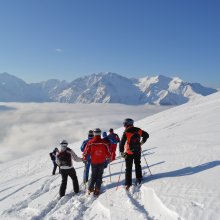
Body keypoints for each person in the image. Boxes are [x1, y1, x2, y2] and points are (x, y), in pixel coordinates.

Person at [119, 118, 149, 190]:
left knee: (128, 168)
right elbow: (146, 135)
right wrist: (142, 142)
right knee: (138, 164)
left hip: (129, 152)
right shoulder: (138, 130)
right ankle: (139, 178)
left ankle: (128, 184)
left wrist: (122, 152)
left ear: (126, 124)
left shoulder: (126, 131)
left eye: (124, 124)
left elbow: (121, 143)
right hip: (138, 150)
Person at [83, 128, 111, 196]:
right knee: (99, 175)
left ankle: (90, 188)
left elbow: (86, 152)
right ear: (100, 133)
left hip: (94, 162)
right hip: (101, 161)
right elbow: (108, 152)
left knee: (93, 175)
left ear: (94, 133)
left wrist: (85, 157)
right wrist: (109, 157)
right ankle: (97, 189)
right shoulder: (103, 142)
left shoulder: (90, 142)